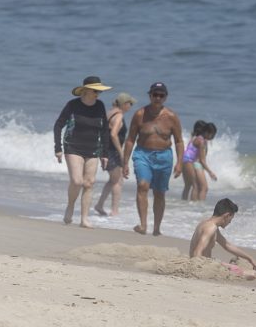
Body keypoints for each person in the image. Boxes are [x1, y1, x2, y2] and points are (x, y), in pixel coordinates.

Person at [122, 82, 186, 237]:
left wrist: (179, 163)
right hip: (143, 154)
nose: (157, 98)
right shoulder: (140, 115)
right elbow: (130, 139)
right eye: (154, 94)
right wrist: (125, 162)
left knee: (159, 193)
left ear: (165, 97)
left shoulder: (171, 117)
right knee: (143, 185)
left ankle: (157, 228)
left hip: (164, 156)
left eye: (161, 95)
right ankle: (143, 225)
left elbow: (179, 141)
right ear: (149, 95)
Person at [52, 77, 114, 228]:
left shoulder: (99, 106)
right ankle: (71, 206)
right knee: (77, 181)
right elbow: (58, 125)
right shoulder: (72, 105)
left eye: (99, 91)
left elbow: (105, 130)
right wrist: (58, 148)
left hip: (93, 149)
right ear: (86, 91)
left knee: (89, 183)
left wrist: (105, 153)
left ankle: (84, 218)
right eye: (95, 91)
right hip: (73, 146)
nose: (98, 94)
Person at [188, 199, 256, 276]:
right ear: (227, 215)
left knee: (236, 268)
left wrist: (250, 258)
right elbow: (197, 252)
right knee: (252, 274)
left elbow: (227, 245)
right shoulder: (211, 228)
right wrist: (198, 271)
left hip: (206, 263)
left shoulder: (207, 224)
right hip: (203, 266)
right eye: (231, 219)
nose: (230, 222)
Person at [93, 93, 135, 217]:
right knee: (118, 181)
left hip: (105, 150)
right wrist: (121, 152)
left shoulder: (110, 113)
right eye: (130, 104)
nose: (131, 106)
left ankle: (99, 205)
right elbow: (113, 134)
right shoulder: (119, 116)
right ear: (124, 104)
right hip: (112, 151)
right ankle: (114, 211)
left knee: (112, 180)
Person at [180, 122, 218, 202]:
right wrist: (210, 172)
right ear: (207, 132)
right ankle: (196, 207)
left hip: (185, 160)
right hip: (190, 162)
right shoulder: (201, 141)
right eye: (212, 135)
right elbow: (202, 160)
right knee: (197, 186)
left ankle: (183, 203)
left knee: (188, 186)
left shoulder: (195, 138)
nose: (213, 137)